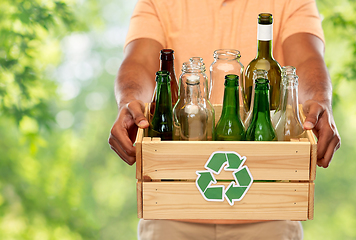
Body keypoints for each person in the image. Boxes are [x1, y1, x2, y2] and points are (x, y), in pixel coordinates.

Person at [108, 0, 341, 239]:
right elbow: (139, 61)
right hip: (173, 208)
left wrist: (320, 99)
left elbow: (306, 60)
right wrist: (129, 100)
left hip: (267, 211)